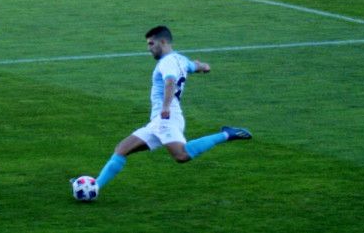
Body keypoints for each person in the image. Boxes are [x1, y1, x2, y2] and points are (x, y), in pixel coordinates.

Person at [86, 26, 252, 196]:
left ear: (163, 42)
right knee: (122, 148)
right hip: (160, 119)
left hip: (167, 115)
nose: (149, 48)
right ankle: (95, 186)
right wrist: (204, 66)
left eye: (151, 44)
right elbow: (194, 66)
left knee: (181, 155)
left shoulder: (166, 62)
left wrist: (165, 107)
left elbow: (170, 81)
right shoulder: (180, 59)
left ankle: (226, 134)